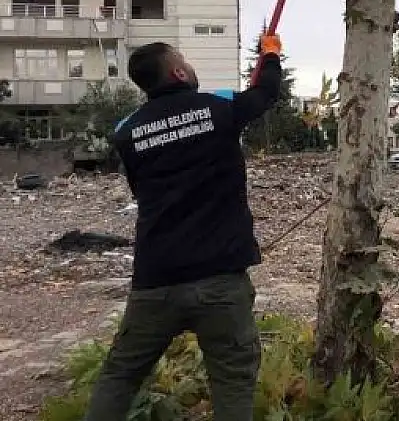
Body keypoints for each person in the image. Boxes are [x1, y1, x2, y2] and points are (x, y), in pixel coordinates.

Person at [83, 36, 284, 421]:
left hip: (155, 281)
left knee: (120, 375)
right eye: (185, 61)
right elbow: (265, 93)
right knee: (233, 382)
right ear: (178, 72)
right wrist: (271, 53)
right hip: (220, 281)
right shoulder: (217, 108)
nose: (190, 67)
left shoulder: (126, 132)